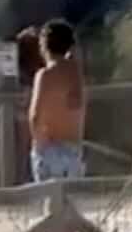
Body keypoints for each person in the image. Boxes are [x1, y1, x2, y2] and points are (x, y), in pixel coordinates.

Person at [27, 19, 87, 186]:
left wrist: (39, 146)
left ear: (44, 46)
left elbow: (35, 116)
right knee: (71, 203)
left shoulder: (45, 76)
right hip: (74, 151)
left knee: (50, 205)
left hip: (50, 150)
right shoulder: (76, 74)